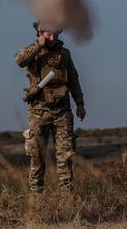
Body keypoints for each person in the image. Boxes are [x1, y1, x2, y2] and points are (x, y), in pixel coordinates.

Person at [14, 21, 86, 193]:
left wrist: (80, 103)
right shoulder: (32, 52)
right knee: (37, 157)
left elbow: (73, 79)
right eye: (48, 34)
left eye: (55, 35)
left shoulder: (64, 54)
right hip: (39, 111)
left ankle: (67, 199)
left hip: (62, 112)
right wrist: (38, 46)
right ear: (40, 32)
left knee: (65, 156)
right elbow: (19, 60)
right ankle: (37, 200)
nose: (52, 38)